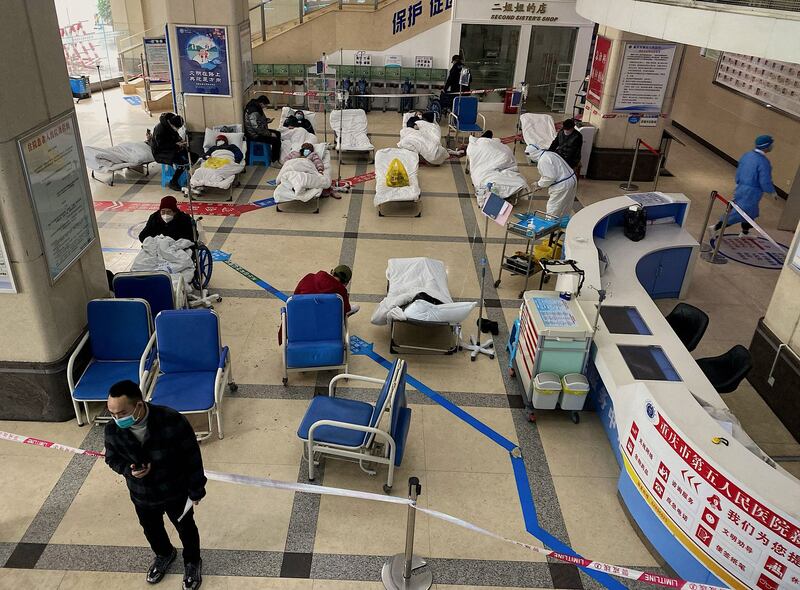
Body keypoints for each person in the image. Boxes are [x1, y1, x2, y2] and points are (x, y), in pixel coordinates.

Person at [104, 380, 206, 589]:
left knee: (186, 528)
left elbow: (192, 457)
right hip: (142, 495)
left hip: (175, 492)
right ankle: (164, 554)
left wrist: (196, 489)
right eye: (112, 414)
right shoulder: (113, 430)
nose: (117, 419)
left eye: (122, 413)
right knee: (151, 529)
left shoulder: (171, 421)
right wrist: (128, 470)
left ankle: (192, 561)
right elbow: (111, 458)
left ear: (139, 405)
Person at [711, 134, 776, 237]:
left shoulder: (747, 155)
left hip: (741, 187)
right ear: (766, 146)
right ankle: (716, 227)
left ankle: (745, 232)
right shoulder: (763, 162)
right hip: (752, 192)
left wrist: (738, 183)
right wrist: (771, 191)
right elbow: (765, 181)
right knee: (739, 213)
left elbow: (739, 171)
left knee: (750, 213)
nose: (773, 146)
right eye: (771, 144)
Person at [527, 145, 578, 219]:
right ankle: (563, 223)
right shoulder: (549, 154)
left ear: (532, 155)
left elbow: (549, 177)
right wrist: (541, 184)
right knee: (566, 205)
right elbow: (552, 172)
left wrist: (539, 184)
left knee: (553, 208)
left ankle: (550, 227)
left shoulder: (543, 160)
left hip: (562, 185)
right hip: (571, 179)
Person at [151, 113, 199, 191]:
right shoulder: (160, 129)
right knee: (183, 162)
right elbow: (161, 145)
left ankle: (186, 175)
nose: (177, 129)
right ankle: (173, 181)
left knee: (194, 157)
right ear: (172, 124)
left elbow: (175, 136)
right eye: (177, 128)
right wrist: (176, 145)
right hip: (161, 153)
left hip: (173, 149)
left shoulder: (169, 126)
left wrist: (180, 141)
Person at [294, 265, 359, 316]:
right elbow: (345, 311)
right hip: (324, 324)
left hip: (301, 317)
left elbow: (295, 295)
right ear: (346, 283)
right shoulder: (341, 293)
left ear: (332, 273)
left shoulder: (309, 277)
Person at [243, 95, 281, 161]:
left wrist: (267, 120)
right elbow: (256, 128)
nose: (265, 107)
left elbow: (258, 121)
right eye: (265, 105)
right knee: (276, 141)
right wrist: (269, 134)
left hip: (258, 131)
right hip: (254, 135)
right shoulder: (253, 111)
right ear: (261, 103)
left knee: (277, 133)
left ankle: (276, 155)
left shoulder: (257, 107)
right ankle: (274, 161)